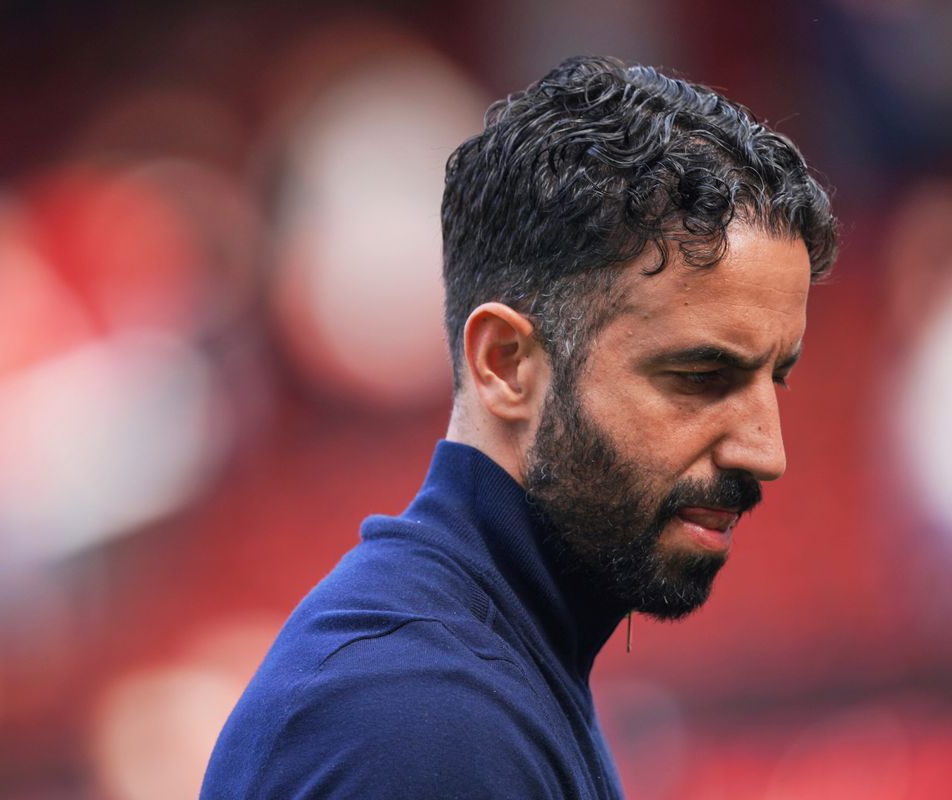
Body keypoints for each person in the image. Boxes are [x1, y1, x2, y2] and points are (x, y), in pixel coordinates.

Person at [201, 55, 838, 799]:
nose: (765, 452)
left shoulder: (481, 667)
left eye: (776, 378)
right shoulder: (420, 723)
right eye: (700, 376)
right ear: (505, 364)